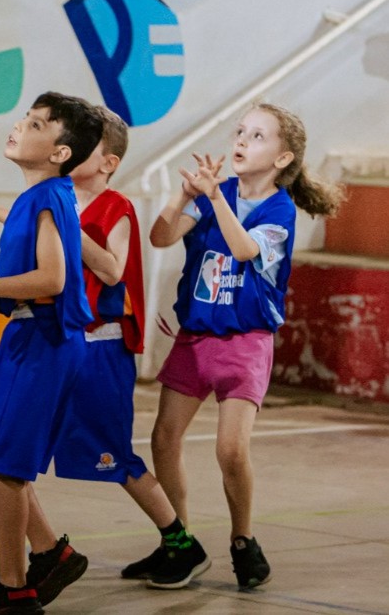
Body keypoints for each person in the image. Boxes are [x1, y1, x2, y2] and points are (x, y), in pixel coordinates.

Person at [0, 107, 202, 596]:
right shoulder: (53, 198)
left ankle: (180, 541)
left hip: (100, 348)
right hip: (61, 340)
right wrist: (2, 212)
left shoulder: (113, 207)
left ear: (103, 161)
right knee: (18, 445)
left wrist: (58, 230)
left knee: (109, 453)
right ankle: (8, 544)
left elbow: (110, 269)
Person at [146, 102, 342, 590]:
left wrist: (214, 201)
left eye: (257, 136)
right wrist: (182, 196)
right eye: (240, 131)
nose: (241, 140)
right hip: (195, 338)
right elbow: (161, 237)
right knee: (163, 439)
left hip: (245, 343)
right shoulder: (217, 192)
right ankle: (180, 544)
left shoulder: (278, 208)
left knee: (231, 450)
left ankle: (242, 538)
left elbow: (245, 249)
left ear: (282, 158)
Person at [0, 92, 103, 615]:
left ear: (59, 152)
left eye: (35, 124)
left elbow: (52, 279)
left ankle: (15, 588)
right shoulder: (42, 196)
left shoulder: (50, 196)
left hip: (44, 341)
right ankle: (52, 553)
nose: (19, 127)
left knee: (7, 466)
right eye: (24, 119)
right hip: (33, 341)